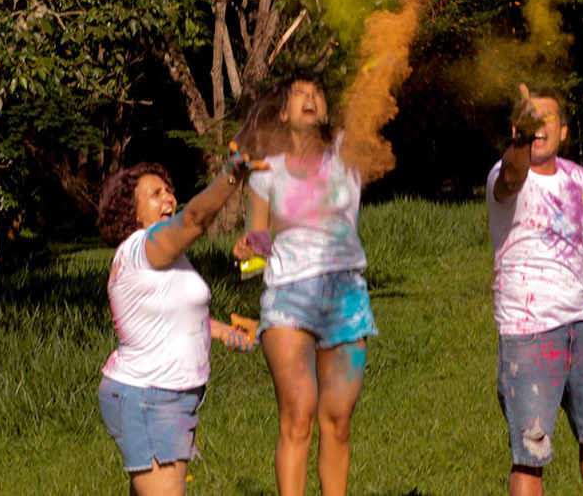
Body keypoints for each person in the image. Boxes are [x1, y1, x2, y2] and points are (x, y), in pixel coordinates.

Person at [486, 83, 583, 496]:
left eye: (547, 118)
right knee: (530, 452)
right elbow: (511, 174)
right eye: (530, 118)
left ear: (564, 131)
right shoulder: (505, 178)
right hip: (528, 335)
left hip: (581, 328)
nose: (539, 125)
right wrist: (520, 141)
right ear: (518, 128)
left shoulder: (579, 178)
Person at [231, 75, 378, 496]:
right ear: (283, 111)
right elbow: (259, 240)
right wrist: (248, 250)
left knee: (339, 421)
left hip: (346, 296)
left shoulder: (348, 153)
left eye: (318, 92)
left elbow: (375, 104)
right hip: (288, 296)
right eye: (300, 93)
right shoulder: (266, 170)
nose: (311, 98)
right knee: (298, 416)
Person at [96, 150, 263, 496]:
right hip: (150, 398)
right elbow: (195, 221)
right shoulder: (141, 248)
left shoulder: (166, 257)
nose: (168, 197)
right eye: (155, 194)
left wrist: (222, 331)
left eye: (168, 190)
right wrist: (232, 176)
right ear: (133, 212)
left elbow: (175, 316)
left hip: (161, 396)